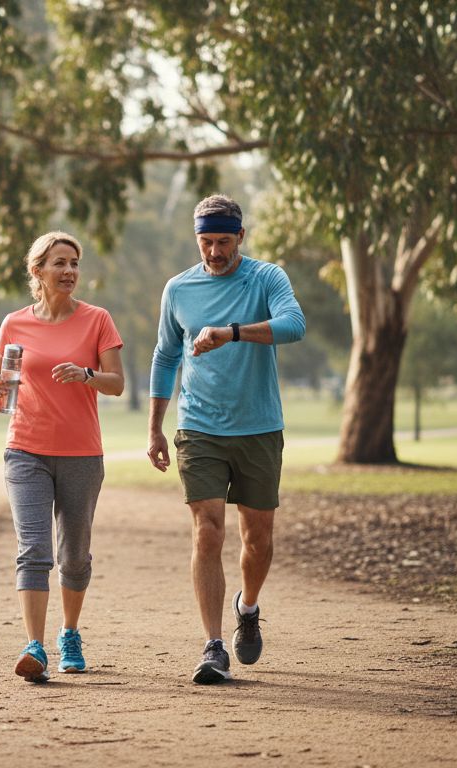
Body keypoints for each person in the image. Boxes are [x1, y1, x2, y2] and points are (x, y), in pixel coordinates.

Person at [146, 194, 305, 684]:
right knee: (208, 530)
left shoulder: (266, 278)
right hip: (199, 428)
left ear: (240, 236)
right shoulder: (179, 288)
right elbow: (166, 355)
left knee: (257, 539)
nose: (214, 252)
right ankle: (213, 646)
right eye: (205, 242)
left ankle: (249, 606)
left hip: (258, 426)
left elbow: (294, 326)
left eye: (222, 241)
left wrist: (231, 333)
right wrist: (155, 425)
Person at [0, 231, 125, 683]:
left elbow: (116, 383)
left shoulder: (97, 320)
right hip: (25, 448)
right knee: (33, 550)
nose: (69, 271)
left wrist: (87, 374)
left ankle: (69, 633)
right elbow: (2, 381)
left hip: (81, 454)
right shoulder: (14, 324)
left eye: (74, 264)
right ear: (38, 271)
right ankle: (35, 645)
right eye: (59, 263)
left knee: (75, 556)